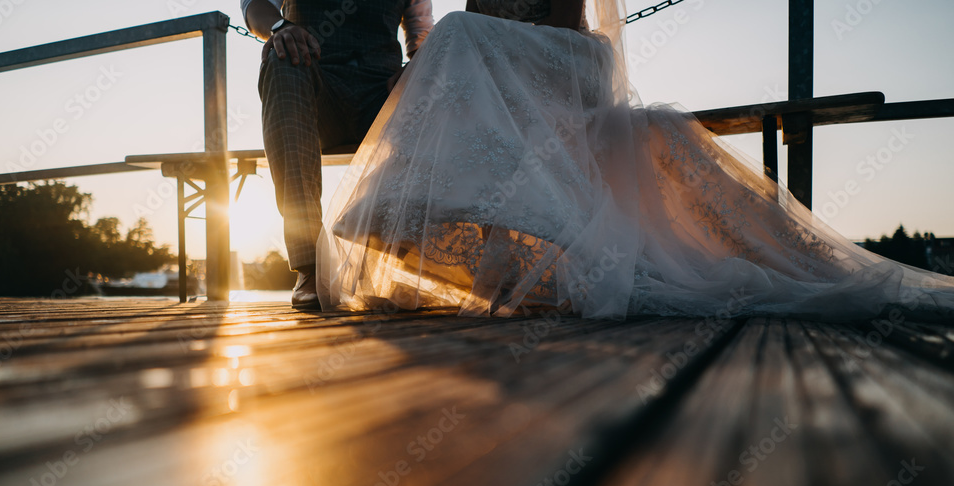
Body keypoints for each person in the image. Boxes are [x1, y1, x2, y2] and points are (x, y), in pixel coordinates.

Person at [316, 0, 954, 319]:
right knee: (458, 43)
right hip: (506, 71)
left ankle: (412, 221)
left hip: (564, 60)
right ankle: (445, 237)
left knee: (456, 36)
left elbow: (594, 41)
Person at [242, 0, 433, 309]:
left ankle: (404, 264)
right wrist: (280, 27)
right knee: (281, 62)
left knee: (430, 86)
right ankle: (310, 265)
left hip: (381, 98)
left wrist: (416, 68)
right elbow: (255, 6)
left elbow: (422, 35)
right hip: (315, 91)